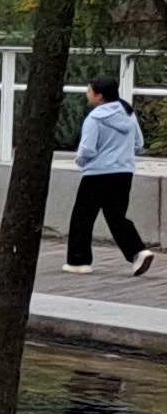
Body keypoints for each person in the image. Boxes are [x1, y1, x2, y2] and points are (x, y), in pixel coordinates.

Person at [68, 79, 150, 274]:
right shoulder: (128, 114)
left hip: (96, 174)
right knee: (116, 216)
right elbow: (139, 143)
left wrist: (81, 161)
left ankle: (79, 262)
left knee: (83, 217)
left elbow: (87, 148)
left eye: (89, 91)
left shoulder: (94, 118)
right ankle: (138, 251)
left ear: (99, 96)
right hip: (123, 173)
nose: (86, 94)